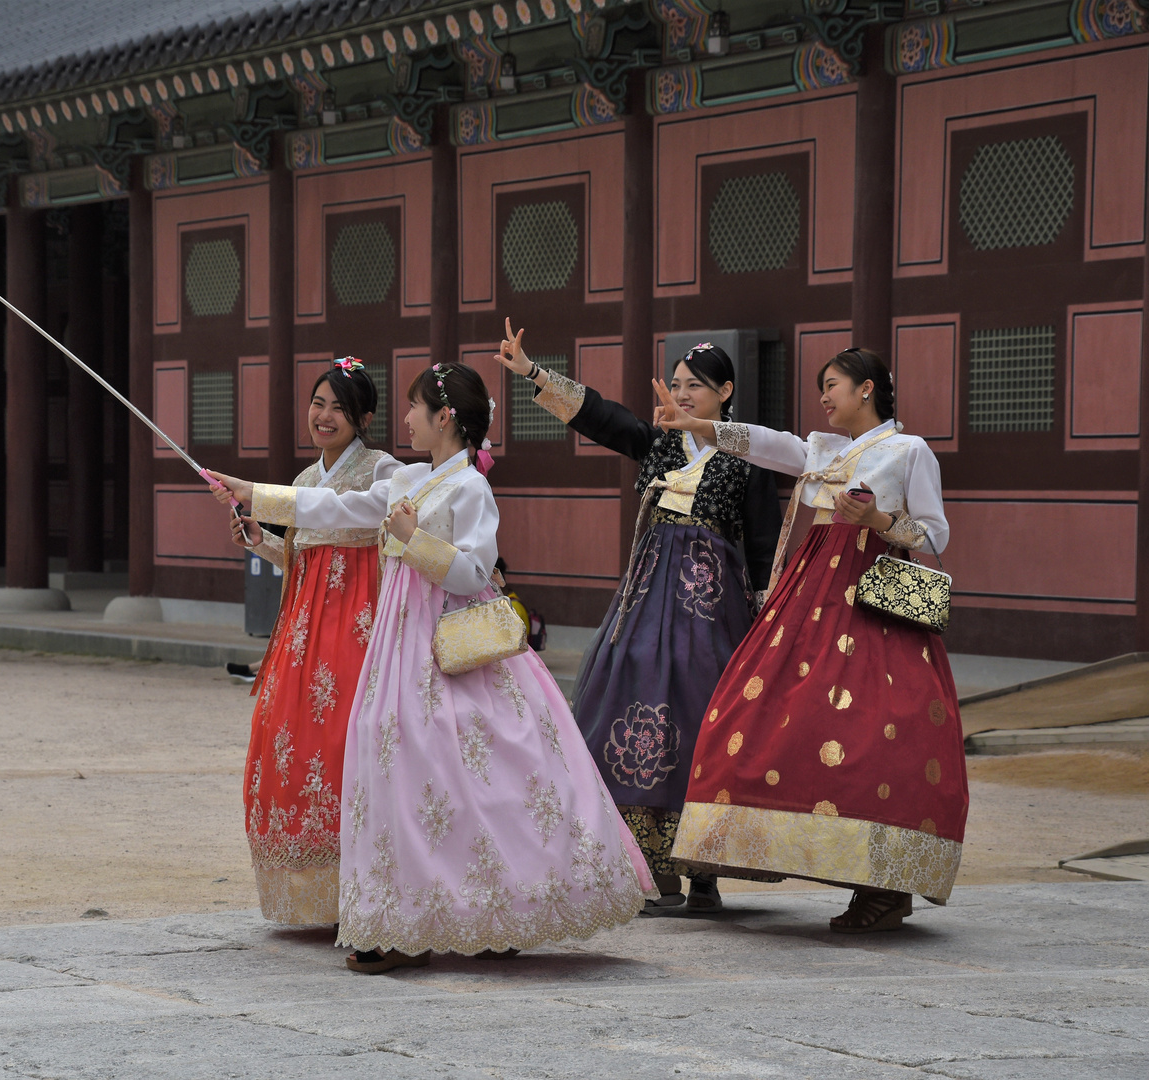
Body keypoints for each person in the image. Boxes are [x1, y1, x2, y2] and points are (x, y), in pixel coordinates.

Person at [211, 361, 651, 974]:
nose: (408, 418)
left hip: (443, 643)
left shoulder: (470, 487)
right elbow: (336, 509)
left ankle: (487, 906)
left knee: (451, 767)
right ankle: (393, 918)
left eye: (416, 407)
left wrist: (416, 542)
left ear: (445, 416)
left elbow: (476, 573)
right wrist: (252, 494)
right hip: (396, 640)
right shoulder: (406, 480)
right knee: (383, 755)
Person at [657, 348, 967, 933]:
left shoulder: (908, 451)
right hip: (812, 592)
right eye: (822, 388)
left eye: (833, 386)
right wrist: (702, 427)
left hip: (875, 597)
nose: (824, 398)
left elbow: (935, 535)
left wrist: (876, 521)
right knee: (780, 716)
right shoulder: (824, 449)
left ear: (867, 389)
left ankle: (884, 886)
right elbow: (773, 444)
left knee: (875, 731)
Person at [494, 325, 781, 915]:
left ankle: (704, 871)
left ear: (725, 391)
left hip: (713, 607)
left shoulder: (748, 456)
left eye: (694, 387)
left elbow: (761, 542)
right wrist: (531, 371)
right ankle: (653, 867)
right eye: (675, 386)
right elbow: (600, 416)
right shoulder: (657, 444)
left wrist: (764, 618)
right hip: (647, 602)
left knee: (706, 716)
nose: (681, 396)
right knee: (636, 703)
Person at [227, 359, 400, 926]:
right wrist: (261, 541)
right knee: (289, 735)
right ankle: (313, 893)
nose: (324, 417)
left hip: (359, 620)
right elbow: (304, 559)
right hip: (304, 625)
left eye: (339, 408)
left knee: (346, 736)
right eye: (318, 403)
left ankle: (365, 886)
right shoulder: (302, 482)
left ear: (364, 419)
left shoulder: (383, 472)